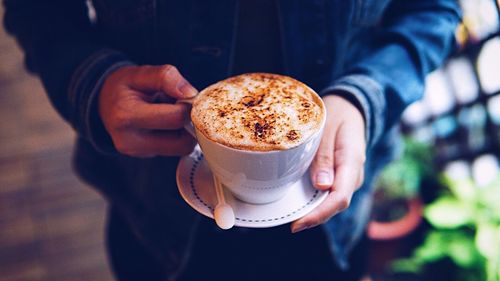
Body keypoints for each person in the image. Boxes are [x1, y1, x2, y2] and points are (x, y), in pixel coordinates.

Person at [3, 0, 461, 280]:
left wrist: (364, 97)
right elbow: (38, 8)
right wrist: (94, 82)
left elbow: (434, 7)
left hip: (330, 221)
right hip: (155, 215)